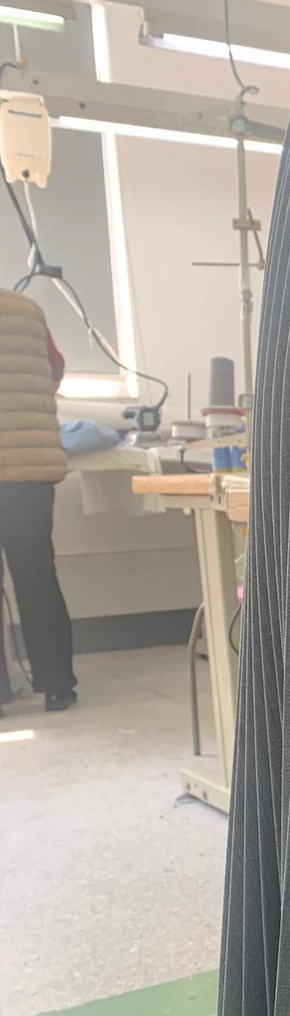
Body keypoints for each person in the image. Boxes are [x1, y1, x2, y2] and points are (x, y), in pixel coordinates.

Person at [0, 288, 76, 712]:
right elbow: (55, 369)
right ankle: (57, 684)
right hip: (30, 470)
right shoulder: (28, 309)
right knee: (37, 576)